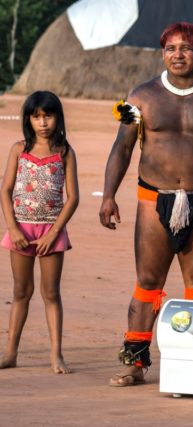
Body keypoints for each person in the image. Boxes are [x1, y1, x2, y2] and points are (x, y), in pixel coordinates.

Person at [99, 22, 193, 386]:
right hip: (153, 199)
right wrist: (108, 195)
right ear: (163, 53)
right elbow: (122, 148)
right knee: (147, 281)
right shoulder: (143, 96)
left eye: (186, 48)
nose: (178, 55)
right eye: (171, 49)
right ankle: (135, 362)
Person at [0, 91, 79, 374]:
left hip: (51, 232)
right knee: (21, 291)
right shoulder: (18, 150)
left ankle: (56, 355)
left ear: (58, 117)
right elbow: (6, 190)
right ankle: (10, 353)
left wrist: (53, 233)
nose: (43, 123)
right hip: (20, 229)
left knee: (51, 293)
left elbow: (72, 198)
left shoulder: (64, 152)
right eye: (36, 117)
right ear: (28, 119)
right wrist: (12, 227)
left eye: (48, 116)